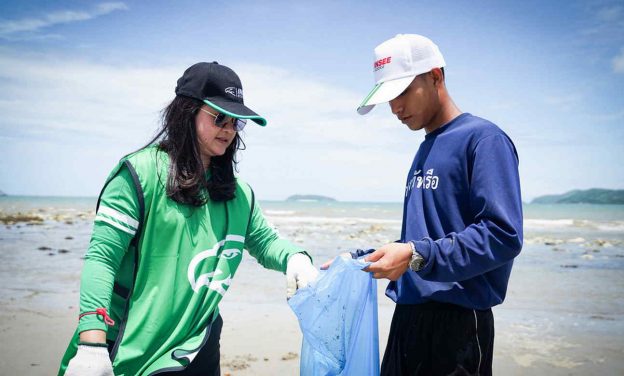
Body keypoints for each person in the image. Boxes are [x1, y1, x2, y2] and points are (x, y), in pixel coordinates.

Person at [58, 62, 319, 376]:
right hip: (131, 348)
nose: (229, 129)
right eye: (219, 117)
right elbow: (102, 258)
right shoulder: (138, 176)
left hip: (199, 344)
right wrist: (92, 344)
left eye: (236, 122)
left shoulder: (238, 194)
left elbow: (266, 242)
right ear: (186, 112)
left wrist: (295, 258)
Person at [328, 34, 524, 375]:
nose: (395, 108)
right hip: (408, 318)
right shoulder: (425, 148)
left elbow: (502, 235)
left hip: (458, 326)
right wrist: (360, 260)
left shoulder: (483, 140)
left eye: (402, 92)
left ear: (435, 76)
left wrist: (417, 255)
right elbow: (425, 237)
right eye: (388, 98)